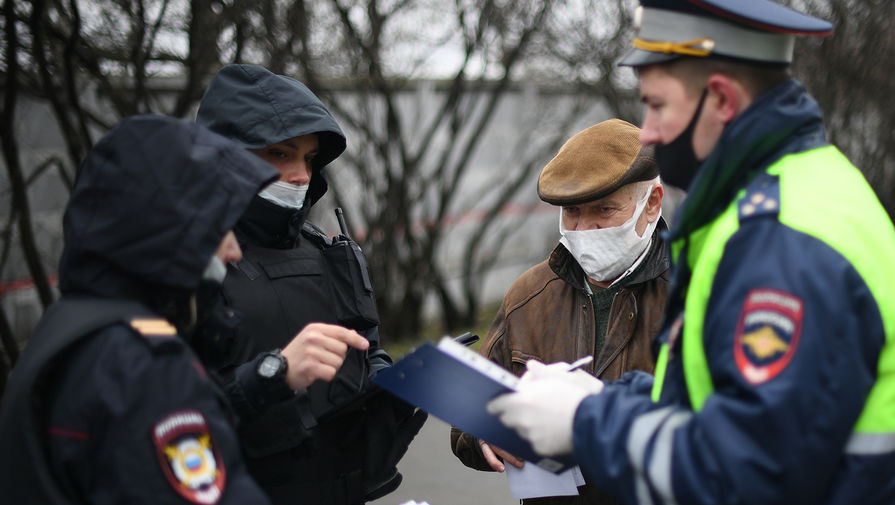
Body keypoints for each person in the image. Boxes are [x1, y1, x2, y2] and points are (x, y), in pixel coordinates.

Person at [487, 1, 895, 504]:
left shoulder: (778, 238)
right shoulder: (810, 187)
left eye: (656, 106)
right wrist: (602, 397)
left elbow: (751, 470)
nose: (650, 133)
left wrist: (586, 421)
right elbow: (714, 396)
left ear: (721, 99)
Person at [0, 114, 355, 504]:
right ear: (174, 227)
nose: (234, 250)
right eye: (222, 228)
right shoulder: (145, 368)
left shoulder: (70, 325)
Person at [193, 63, 426, 505]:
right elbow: (160, 411)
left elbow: (365, 350)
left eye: (309, 158)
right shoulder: (188, 263)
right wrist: (266, 377)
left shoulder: (326, 250)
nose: (301, 175)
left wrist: (390, 388)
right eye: (280, 154)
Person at [451, 119, 669, 505]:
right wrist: (484, 432)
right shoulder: (529, 295)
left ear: (651, 203)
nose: (584, 229)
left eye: (604, 209)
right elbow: (470, 421)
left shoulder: (697, 294)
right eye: (572, 212)